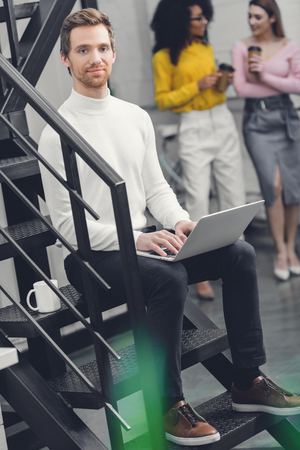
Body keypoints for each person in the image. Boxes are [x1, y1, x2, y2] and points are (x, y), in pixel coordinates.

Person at [38, 8, 300, 447]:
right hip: (90, 258)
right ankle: (167, 404)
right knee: (168, 275)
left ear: (114, 52)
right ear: (66, 59)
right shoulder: (57, 134)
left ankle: (247, 381)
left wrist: (181, 222)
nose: (94, 58)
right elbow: (69, 226)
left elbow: (156, 189)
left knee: (240, 254)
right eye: (83, 50)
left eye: (102, 47)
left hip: (140, 244)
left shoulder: (134, 117)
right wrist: (138, 239)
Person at [151, 0, 246, 299]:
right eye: (198, 18)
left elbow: (214, 92)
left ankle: (241, 261)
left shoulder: (205, 49)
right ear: (181, 21)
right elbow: (163, 100)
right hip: (192, 126)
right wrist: (197, 85)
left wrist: (221, 82)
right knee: (197, 201)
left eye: (205, 17)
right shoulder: (164, 57)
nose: (204, 22)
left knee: (235, 195)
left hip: (222, 118)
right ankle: (199, 271)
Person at [232, 0, 300, 281]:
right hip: (256, 123)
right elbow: (241, 88)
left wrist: (264, 75)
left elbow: (298, 85)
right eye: (249, 16)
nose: (252, 21)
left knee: (292, 187)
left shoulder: (290, 45)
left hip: (287, 120)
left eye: (258, 16)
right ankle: (280, 250)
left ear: (272, 18)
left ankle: (291, 247)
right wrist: (273, 79)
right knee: (272, 186)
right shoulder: (241, 47)